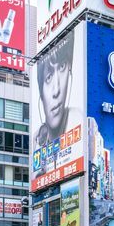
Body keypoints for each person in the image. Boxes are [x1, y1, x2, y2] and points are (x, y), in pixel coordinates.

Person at [34, 33, 77, 177]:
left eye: (63, 66)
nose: (56, 90)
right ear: (40, 91)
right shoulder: (36, 139)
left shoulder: (77, 119)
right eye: (49, 77)